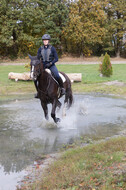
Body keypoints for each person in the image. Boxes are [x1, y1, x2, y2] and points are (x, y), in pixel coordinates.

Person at [35, 34, 65, 98]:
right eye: (44, 40)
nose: (45, 41)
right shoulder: (40, 49)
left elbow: (56, 58)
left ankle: (62, 88)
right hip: (43, 66)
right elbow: (38, 58)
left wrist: (51, 63)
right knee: (35, 79)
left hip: (51, 65)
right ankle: (38, 92)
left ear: (48, 41)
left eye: (46, 40)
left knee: (57, 75)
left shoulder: (52, 48)